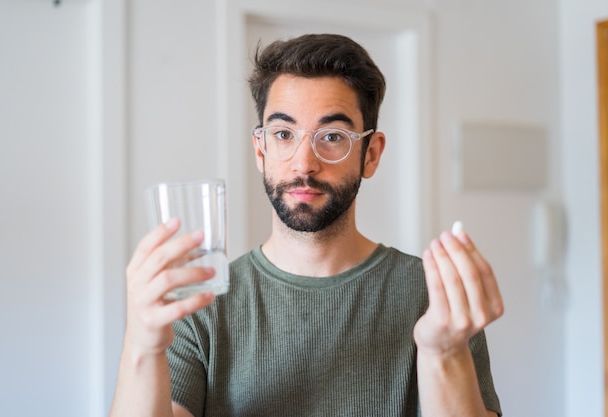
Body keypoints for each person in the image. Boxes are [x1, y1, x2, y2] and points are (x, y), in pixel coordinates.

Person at [109, 33, 504, 417]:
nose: (304, 163)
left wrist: (444, 353)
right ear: (261, 150)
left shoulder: (436, 299)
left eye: (332, 136)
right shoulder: (201, 304)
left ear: (371, 154)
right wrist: (141, 345)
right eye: (283, 134)